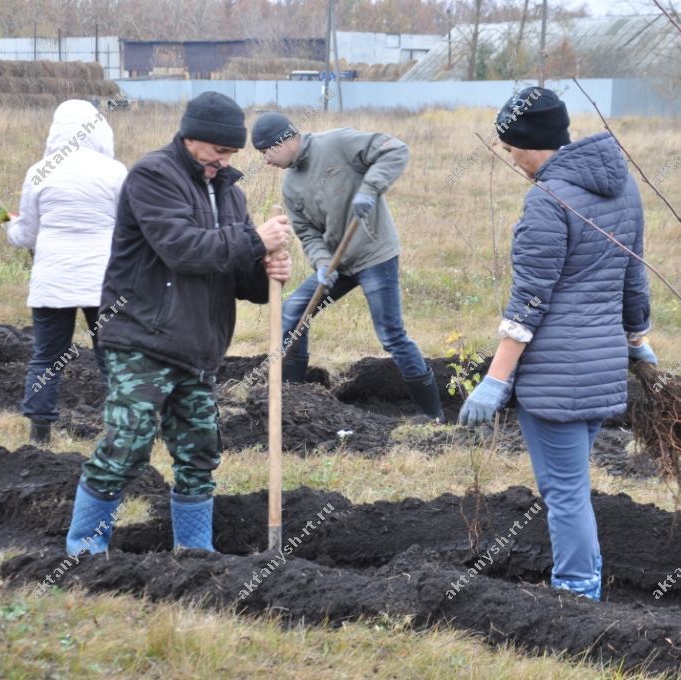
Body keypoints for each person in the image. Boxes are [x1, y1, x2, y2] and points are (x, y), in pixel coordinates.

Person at [63, 92, 293, 555]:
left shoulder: (231, 192)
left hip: (199, 346)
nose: (223, 162)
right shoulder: (152, 176)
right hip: (141, 336)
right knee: (127, 443)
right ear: (191, 138)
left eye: (230, 154)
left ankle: (195, 555)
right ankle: (84, 552)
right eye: (217, 152)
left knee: (199, 451)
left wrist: (265, 268)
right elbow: (182, 248)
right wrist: (252, 239)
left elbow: (236, 274)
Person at [458, 87, 656, 601]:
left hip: (555, 375)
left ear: (531, 142)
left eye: (510, 148)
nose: (510, 158)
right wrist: (637, 342)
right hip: (603, 366)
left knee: (565, 494)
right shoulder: (623, 189)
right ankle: (579, 582)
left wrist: (495, 380)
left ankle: (575, 594)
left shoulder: (549, 199)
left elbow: (529, 302)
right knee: (571, 485)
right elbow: (634, 278)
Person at [249, 113, 443, 421]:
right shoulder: (291, 185)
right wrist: (323, 262)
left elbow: (395, 150)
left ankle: (432, 414)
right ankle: (293, 401)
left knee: (391, 334)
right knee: (294, 311)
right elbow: (308, 234)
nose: (266, 161)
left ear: (284, 140)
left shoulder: (337, 143)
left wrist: (369, 189)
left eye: (266, 152)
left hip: (374, 254)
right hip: (339, 264)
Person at [5, 98, 127, 445]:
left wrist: (9, 226)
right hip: (102, 284)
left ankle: (39, 432)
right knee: (111, 355)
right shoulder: (115, 172)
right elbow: (129, 228)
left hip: (51, 283)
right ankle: (120, 430)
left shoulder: (39, 171)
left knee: (47, 357)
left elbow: (26, 234)